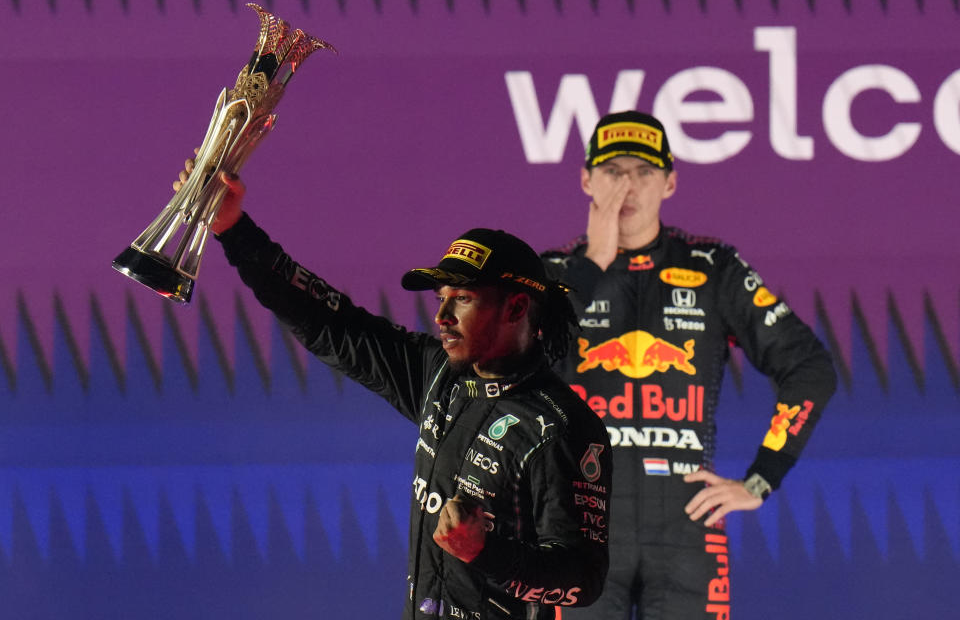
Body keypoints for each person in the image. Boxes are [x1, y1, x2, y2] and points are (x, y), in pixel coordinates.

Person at [174, 164, 613, 619]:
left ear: (516, 307)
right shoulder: (439, 375)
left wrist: (484, 551)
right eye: (440, 296)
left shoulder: (560, 428)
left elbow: (583, 580)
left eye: (461, 298)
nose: (442, 315)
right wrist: (234, 229)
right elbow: (330, 322)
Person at [541, 111, 837, 620]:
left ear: (670, 182)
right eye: (613, 172)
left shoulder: (713, 268)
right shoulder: (551, 274)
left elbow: (810, 367)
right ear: (586, 179)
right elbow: (507, 369)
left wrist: (761, 479)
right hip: (577, 529)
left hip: (686, 533)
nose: (628, 187)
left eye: (644, 172)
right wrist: (594, 264)